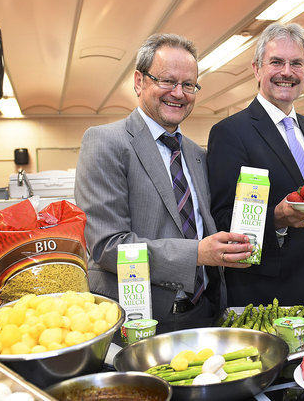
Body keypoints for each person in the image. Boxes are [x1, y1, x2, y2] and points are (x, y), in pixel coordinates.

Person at [74, 33, 253, 334]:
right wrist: (196, 253)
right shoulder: (105, 142)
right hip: (143, 321)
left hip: (206, 313)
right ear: (139, 81)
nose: (179, 93)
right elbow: (108, 247)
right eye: (167, 81)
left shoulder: (196, 154)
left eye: (188, 85)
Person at [207, 22, 304, 306]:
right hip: (265, 293)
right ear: (257, 69)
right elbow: (221, 219)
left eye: (296, 63)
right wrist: (275, 219)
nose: (287, 72)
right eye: (276, 62)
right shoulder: (231, 133)